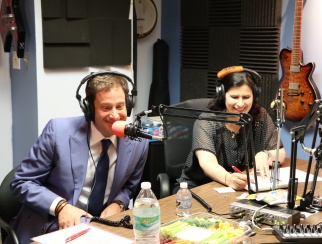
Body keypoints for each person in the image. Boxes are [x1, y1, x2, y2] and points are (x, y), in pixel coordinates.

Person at [5, 72, 149, 244]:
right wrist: (61, 207)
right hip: (53, 224)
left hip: (102, 228)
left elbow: (129, 187)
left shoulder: (139, 141)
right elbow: (22, 182)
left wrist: (118, 203)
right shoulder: (58, 132)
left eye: (120, 106)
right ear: (89, 109)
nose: (115, 115)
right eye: (106, 108)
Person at [174, 66, 286, 192]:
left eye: (246, 97)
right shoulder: (207, 121)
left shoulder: (260, 116)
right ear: (223, 95)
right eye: (234, 97)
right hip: (198, 188)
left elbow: (280, 153)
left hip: (237, 187)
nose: (240, 104)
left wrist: (265, 154)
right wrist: (228, 178)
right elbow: (207, 163)